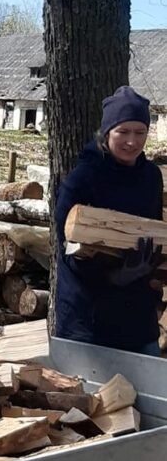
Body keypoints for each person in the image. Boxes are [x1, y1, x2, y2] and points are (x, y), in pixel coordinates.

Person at [55, 86, 163, 354]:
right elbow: (67, 249)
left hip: (137, 318)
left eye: (140, 133)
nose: (132, 142)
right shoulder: (82, 179)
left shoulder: (151, 177)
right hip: (88, 322)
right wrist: (114, 276)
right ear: (106, 133)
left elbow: (154, 232)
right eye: (123, 132)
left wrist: (146, 269)